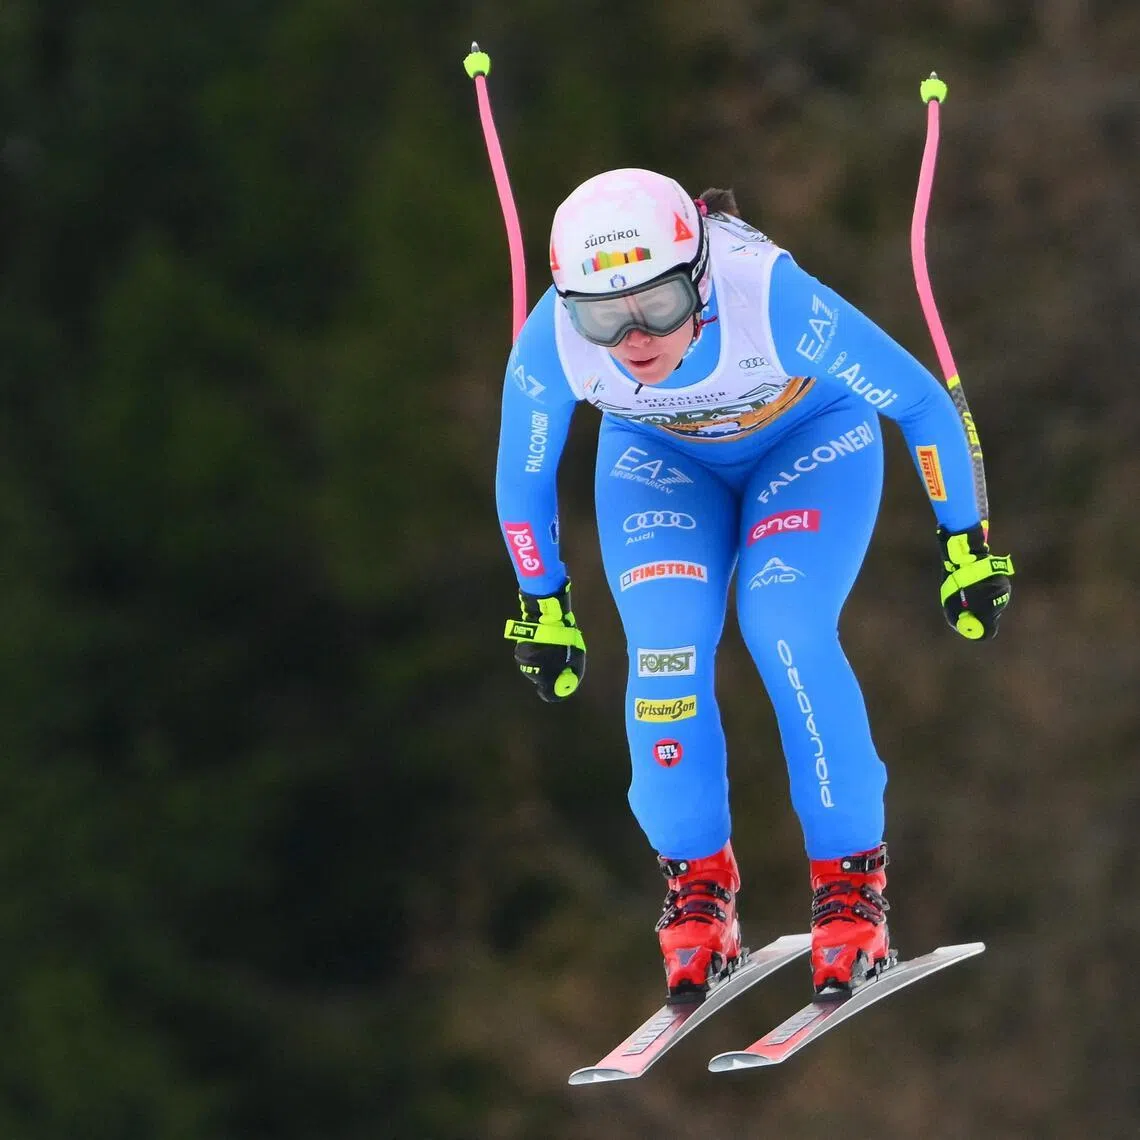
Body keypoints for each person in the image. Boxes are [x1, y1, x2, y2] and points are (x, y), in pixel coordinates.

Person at [494, 168, 1013, 1002]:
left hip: (805, 442)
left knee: (784, 626)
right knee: (663, 647)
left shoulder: (769, 299)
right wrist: (542, 599)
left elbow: (919, 403)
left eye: (658, 306)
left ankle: (852, 890)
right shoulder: (551, 339)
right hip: (660, 461)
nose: (633, 338)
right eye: (602, 316)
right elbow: (523, 473)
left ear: (699, 279)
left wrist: (966, 543)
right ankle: (697, 892)